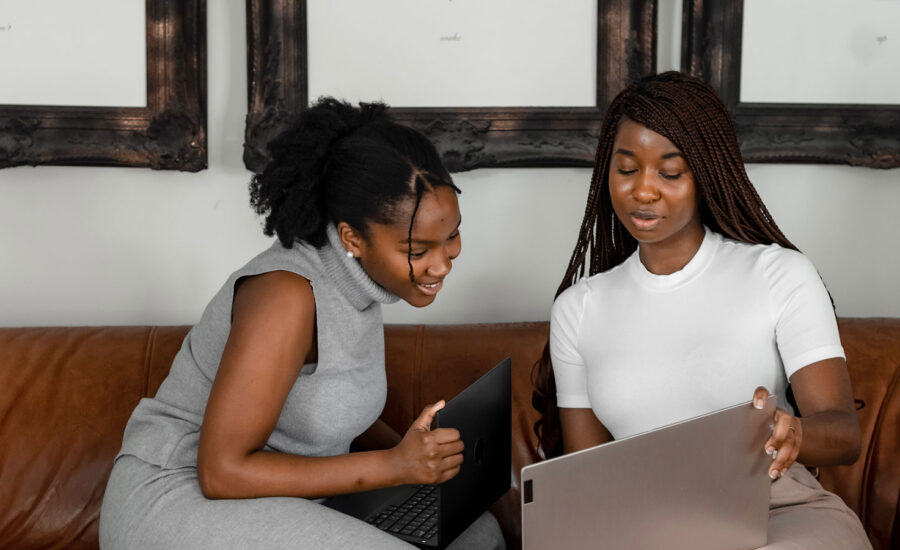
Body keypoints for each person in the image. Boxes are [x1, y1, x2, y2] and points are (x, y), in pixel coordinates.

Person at [100, 98, 505, 550]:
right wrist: (396, 466)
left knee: (478, 535)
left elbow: (331, 403)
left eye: (451, 237)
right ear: (353, 237)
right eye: (417, 251)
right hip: (178, 496)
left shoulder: (362, 284)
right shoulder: (285, 295)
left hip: (285, 494)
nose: (442, 265)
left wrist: (419, 456)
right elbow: (220, 472)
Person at [532, 72, 872, 549]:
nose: (644, 191)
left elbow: (843, 433)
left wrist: (793, 431)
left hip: (776, 510)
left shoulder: (780, 274)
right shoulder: (578, 309)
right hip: (643, 521)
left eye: (670, 173)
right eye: (626, 169)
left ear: (706, 172)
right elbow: (588, 471)